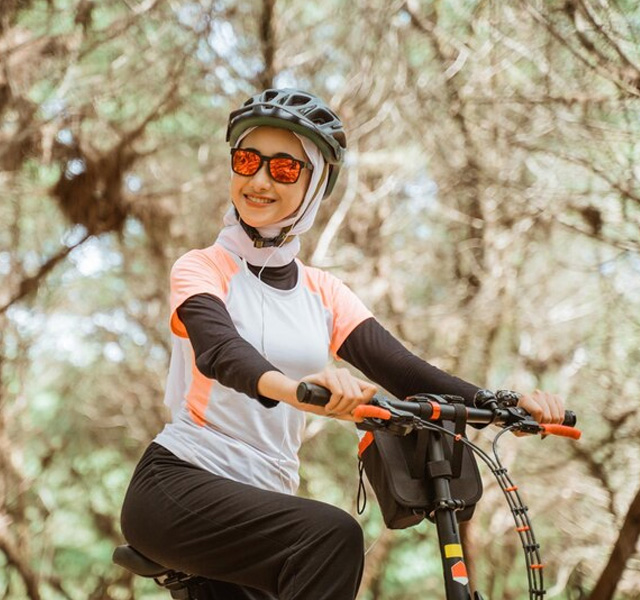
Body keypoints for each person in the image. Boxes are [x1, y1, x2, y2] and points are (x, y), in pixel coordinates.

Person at [119, 88, 565, 600]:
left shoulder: (323, 293)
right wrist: (298, 389)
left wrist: (501, 403)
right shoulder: (203, 268)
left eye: (284, 168)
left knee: (317, 543)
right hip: (179, 484)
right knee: (331, 537)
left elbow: (404, 371)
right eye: (247, 160)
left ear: (316, 184)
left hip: (263, 499)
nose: (259, 179)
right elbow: (220, 352)